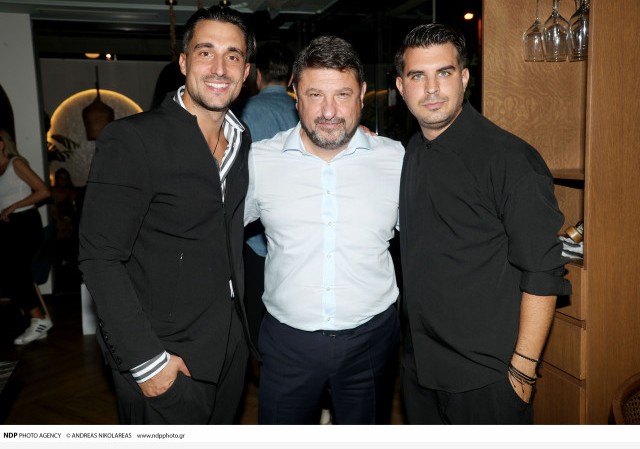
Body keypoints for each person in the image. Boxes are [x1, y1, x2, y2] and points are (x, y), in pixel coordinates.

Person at [78, 6, 256, 425]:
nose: (219, 68)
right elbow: (99, 258)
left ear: (246, 71)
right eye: (206, 52)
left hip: (230, 349)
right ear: (183, 62)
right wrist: (147, 363)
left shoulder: (241, 139)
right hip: (165, 356)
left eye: (232, 55)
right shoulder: (133, 139)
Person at [394, 23, 572, 424]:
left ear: (464, 78)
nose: (432, 89)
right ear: (402, 87)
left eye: (444, 72)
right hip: (420, 369)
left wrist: (522, 374)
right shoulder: (414, 151)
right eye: (418, 76)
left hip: (485, 379)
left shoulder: (509, 160)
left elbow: (543, 274)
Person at [245, 35, 404, 424]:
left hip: (371, 341)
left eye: (342, 95)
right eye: (315, 95)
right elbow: (210, 233)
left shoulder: (396, 160)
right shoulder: (259, 161)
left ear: (362, 94)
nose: (329, 111)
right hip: (287, 344)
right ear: (295, 95)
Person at [236, 40, 299, 348]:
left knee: (255, 315)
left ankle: (260, 361)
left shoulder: (243, 112)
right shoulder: (306, 110)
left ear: (257, 75)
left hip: (256, 238)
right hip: (299, 236)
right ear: (292, 78)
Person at [0, 129, 52, 345]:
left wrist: (13, 206)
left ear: (1, 144)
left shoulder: (16, 163)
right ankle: (38, 321)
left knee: (15, 268)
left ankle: (39, 319)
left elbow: (43, 191)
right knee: (7, 270)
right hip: (9, 226)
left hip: (25, 222)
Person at [50, 167, 81, 293]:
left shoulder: (72, 192)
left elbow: (75, 212)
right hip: (57, 228)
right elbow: (52, 212)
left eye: (65, 178)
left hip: (70, 228)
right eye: (60, 178)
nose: (63, 181)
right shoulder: (52, 192)